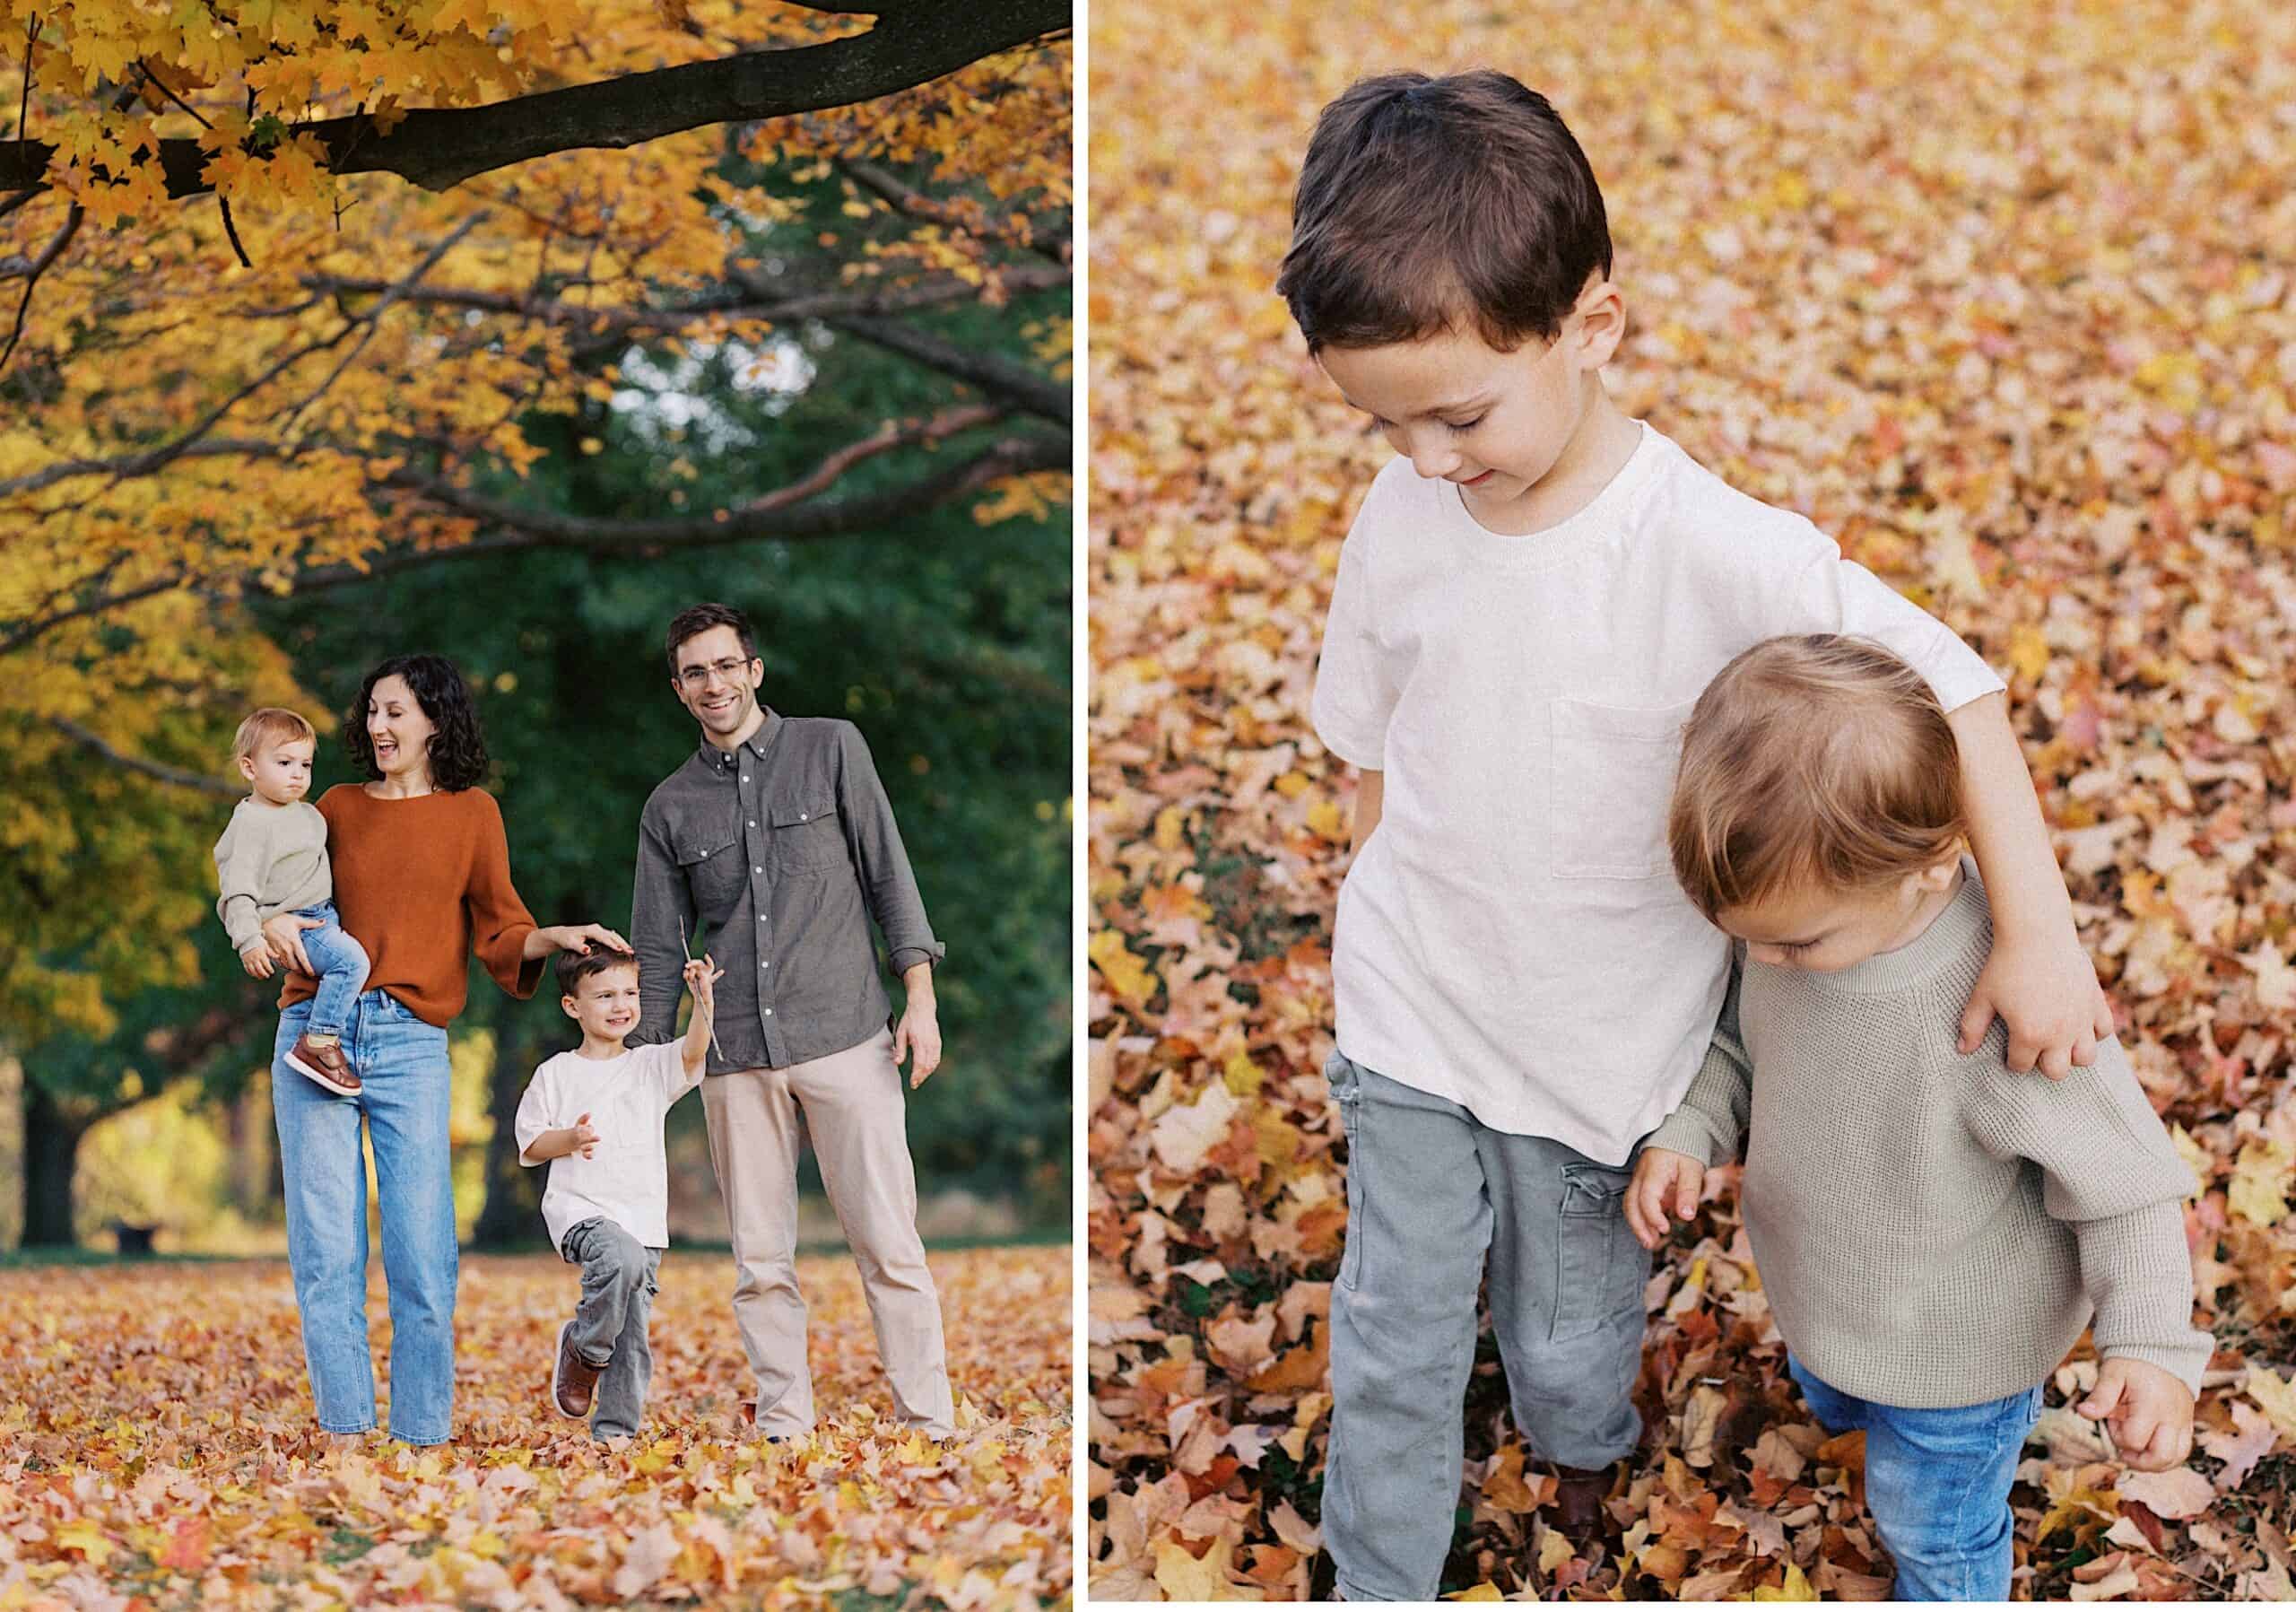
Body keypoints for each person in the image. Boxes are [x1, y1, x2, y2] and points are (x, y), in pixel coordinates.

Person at [1283, 72, 2117, 1601]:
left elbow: (1960, 689)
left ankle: (1581, 1451)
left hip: (1608, 1057)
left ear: (1591, 327)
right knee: (1392, 1326)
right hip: (1411, 1015)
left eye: (1456, 413)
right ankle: (1375, 1569)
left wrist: (2040, 933)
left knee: (1567, 1331)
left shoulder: (1716, 549)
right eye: (1379, 424)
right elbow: (1374, 751)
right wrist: (1368, 913)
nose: (1420, 462)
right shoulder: (1399, 519)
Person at [1629, 635, 2209, 1600]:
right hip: (1828, 1294)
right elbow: (1738, 1042)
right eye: (1745, 943)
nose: (1762, 964)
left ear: (1928, 872)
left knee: (1929, 1529)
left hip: (1958, 1354)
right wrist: (1692, 1127)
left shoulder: (2001, 1010)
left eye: (1792, 943)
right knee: (1838, 1394)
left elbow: (2129, 1194)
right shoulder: (1793, 925)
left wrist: (2150, 1348)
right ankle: (1846, 1389)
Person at [265, 653, 627, 1448]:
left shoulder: (472, 815)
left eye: (396, 711)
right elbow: (277, 890)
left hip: (408, 1042)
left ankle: (421, 1438)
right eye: (372, 711)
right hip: (315, 1032)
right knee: (326, 1252)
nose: (378, 726)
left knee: (424, 1255)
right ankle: (348, 1435)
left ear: (435, 719)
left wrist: (554, 935)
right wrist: (263, 921)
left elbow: (499, 928)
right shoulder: (331, 807)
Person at [630, 602, 957, 1441]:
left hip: (846, 1033)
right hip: (735, 1050)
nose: (714, 683)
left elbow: (892, 876)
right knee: (761, 1262)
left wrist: (919, 1000)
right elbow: (658, 953)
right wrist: (638, 1077)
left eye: (725, 665)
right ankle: (785, 1425)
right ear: (678, 690)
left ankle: (928, 1421)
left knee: (889, 1244)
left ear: (754, 670)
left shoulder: (832, 748)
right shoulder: (669, 808)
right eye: (695, 672)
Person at [517, 945, 722, 1442]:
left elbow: (693, 1053)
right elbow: (531, 1142)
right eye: (604, 995)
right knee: (619, 1258)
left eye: (629, 993)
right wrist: (570, 1139)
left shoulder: (650, 1065)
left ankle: (614, 1434)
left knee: (632, 1339)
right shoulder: (556, 1073)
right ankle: (585, 1349)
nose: (620, 1005)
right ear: (573, 1007)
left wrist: (702, 1003)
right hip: (580, 1211)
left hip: (643, 1219)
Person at [213, 707, 370, 1096]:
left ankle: (321, 1038)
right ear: (250, 769)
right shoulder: (252, 824)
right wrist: (250, 940)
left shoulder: (308, 815)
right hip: (300, 924)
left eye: (305, 764)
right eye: (284, 763)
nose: (297, 774)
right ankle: (318, 1042)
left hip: (324, 917)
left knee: (349, 958)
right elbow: (238, 891)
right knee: (352, 963)